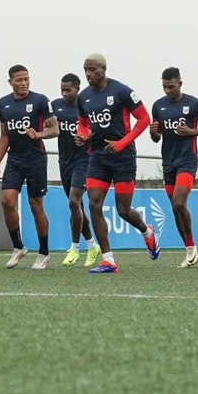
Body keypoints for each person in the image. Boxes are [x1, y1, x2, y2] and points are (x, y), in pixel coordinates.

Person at [78, 53, 157, 274]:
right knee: (94, 203)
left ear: (104, 69)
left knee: (123, 210)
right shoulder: (83, 97)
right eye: (85, 69)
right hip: (98, 157)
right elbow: (83, 124)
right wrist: (82, 136)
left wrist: (122, 143)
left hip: (123, 157)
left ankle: (147, 231)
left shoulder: (122, 91)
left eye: (92, 69)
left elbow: (144, 119)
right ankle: (108, 260)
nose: (88, 74)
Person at [0, 65, 58, 270]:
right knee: (6, 200)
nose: (23, 83)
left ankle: (44, 253)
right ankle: (18, 247)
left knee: (35, 205)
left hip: (35, 158)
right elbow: (5, 134)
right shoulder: (2, 104)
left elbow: (54, 129)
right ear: (10, 81)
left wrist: (38, 134)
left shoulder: (40, 100)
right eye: (19, 80)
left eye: (26, 79)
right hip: (14, 159)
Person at [149, 67, 198, 268]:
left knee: (178, 203)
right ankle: (190, 249)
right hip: (168, 162)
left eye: (171, 86)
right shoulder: (158, 106)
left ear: (180, 84)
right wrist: (153, 133)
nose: (167, 90)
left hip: (187, 160)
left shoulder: (194, 104)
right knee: (176, 208)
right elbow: (156, 137)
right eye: (164, 87)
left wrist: (190, 131)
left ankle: (191, 247)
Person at [52, 73, 98, 267]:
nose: (64, 93)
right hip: (64, 162)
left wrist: (86, 136)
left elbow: (98, 129)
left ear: (78, 88)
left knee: (74, 201)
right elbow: (48, 124)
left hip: (84, 161)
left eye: (68, 89)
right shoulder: (55, 106)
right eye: (62, 89)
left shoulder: (88, 105)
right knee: (77, 207)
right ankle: (92, 245)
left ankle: (74, 248)